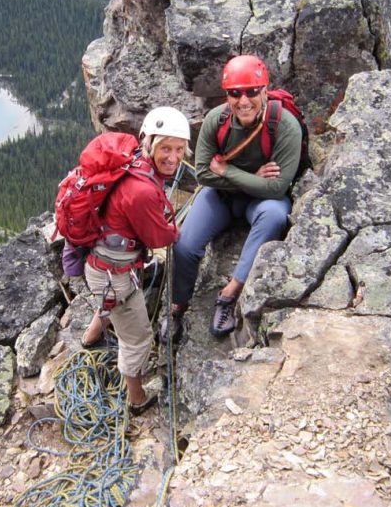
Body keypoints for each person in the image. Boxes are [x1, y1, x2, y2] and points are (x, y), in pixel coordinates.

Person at [166, 54, 301, 340]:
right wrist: (254, 179)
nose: (244, 101)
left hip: (257, 201)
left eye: (252, 91)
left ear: (265, 90)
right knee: (184, 245)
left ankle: (229, 295)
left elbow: (277, 189)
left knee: (275, 214)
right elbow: (204, 174)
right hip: (222, 196)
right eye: (235, 93)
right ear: (227, 95)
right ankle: (178, 305)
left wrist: (227, 169)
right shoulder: (217, 121)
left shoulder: (285, 126)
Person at [79, 106, 191, 413]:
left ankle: (92, 335)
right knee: (138, 338)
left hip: (102, 266)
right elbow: (159, 239)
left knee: (109, 301)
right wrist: (174, 231)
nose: (173, 157)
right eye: (166, 148)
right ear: (149, 143)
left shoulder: (133, 163)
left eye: (180, 149)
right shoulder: (141, 189)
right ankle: (137, 398)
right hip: (116, 275)